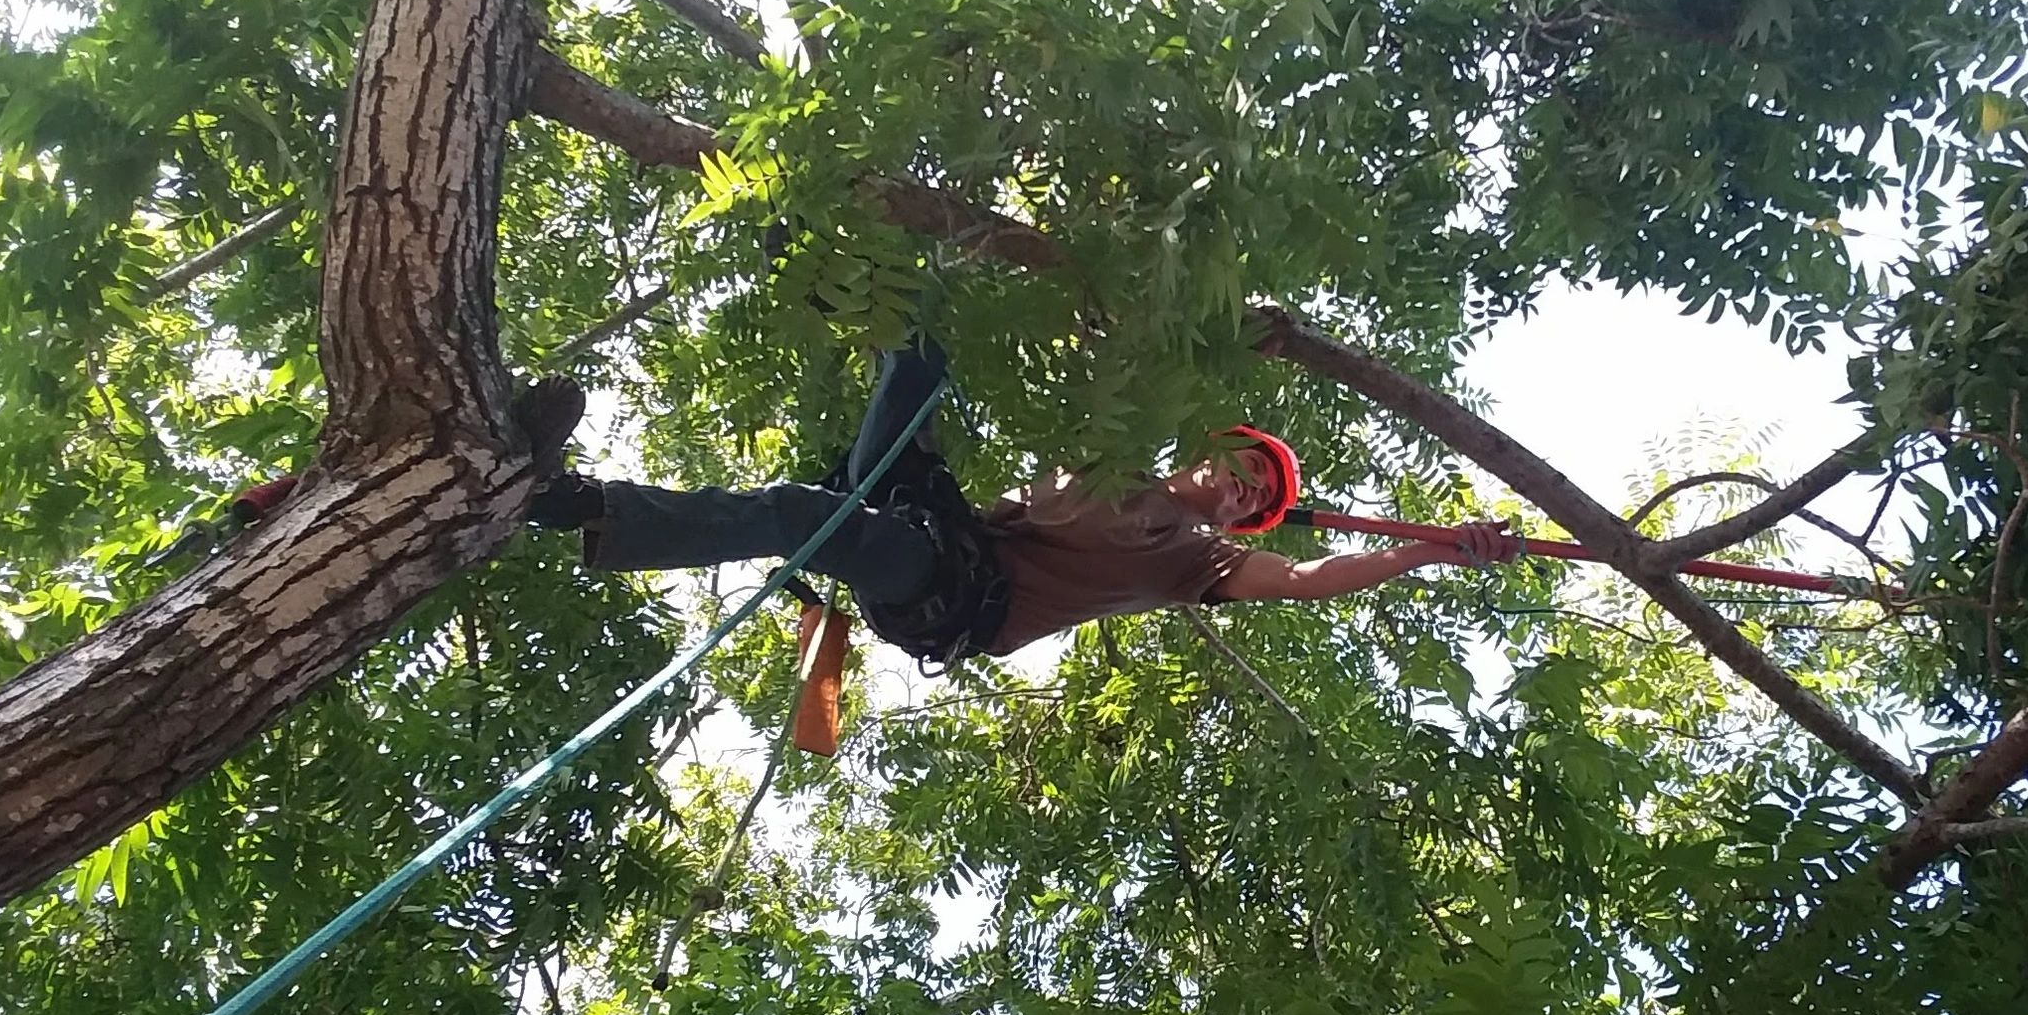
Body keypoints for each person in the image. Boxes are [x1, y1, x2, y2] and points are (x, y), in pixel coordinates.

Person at [527, 342, 1522, 663]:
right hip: (938, 525)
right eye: (1242, 464)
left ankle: (573, 504)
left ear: (1237, 524)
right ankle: (841, 246)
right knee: (921, 352)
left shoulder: (1197, 561)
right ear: (1210, 445)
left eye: (1254, 496)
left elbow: (1308, 578)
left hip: (957, 597)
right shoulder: (1118, 451)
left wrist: (1429, 549)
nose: (1239, 484)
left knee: (796, 515)